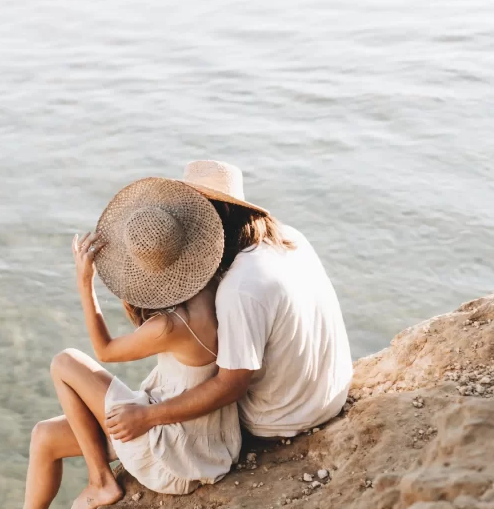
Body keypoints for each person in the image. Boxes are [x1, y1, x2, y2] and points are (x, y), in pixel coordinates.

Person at [16, 178, 241, 509]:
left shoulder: (170, 325)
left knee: (64, 362)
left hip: (170, 449)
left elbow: (104, 350)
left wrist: (84, 281)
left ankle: (100, 480)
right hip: (201, 439)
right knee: (44, 436)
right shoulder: (214, 283)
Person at [105, 160, 353, 442]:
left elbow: (231, 387)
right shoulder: (289, 237)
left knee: (158, 399)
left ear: (220, 212)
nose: (187, 226)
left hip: (281, 419)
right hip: (330, 394)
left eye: (194, 215)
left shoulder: (239, 287)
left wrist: (148, 417)